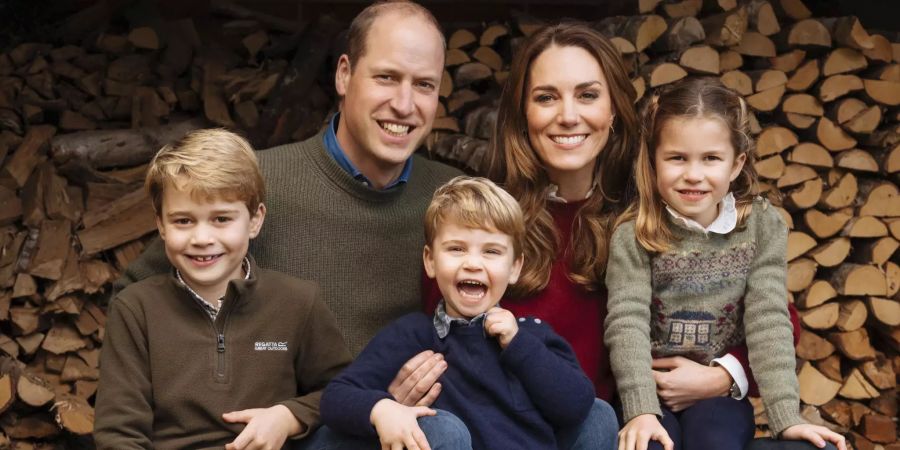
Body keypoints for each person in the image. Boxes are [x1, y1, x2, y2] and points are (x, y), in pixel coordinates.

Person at [114, 0, 461, 401]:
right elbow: (135, 298)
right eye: (386, 77)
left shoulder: (454, 202)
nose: (404, 104)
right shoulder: (258, 184)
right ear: (344, 74)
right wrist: (209, 403)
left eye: (424, 85)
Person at [604, 77, 846, 450]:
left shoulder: (762, 226)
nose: (694, 174)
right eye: (677, 158)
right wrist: (640, 409)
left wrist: (786, 417)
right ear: (653, 161)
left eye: (711, 158)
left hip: (719, 398)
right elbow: (626, 321)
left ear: (736, 164)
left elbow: (769, 319)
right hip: (650, 392)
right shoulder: (635, 234)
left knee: (715, 442)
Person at [94, 129, 352, 449]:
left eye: (221, 219)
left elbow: (342, 390)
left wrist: (289, 415)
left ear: (255, 220)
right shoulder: (135, 310)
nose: (202, 238)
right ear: (160, 224)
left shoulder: (298, 303)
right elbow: (119, 434)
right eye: (183, 221)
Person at [320, 176, 596, 450]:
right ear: (430, 261)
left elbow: (577, 406)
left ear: (514, 268)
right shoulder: (414, 335)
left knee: (599, 414)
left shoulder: (531, 335)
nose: (473, 263)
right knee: (445, 429)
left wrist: (519, 345)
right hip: (449, 440)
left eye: (491, 251)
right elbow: (336, 397)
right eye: (456, 249)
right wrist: (382, 410)